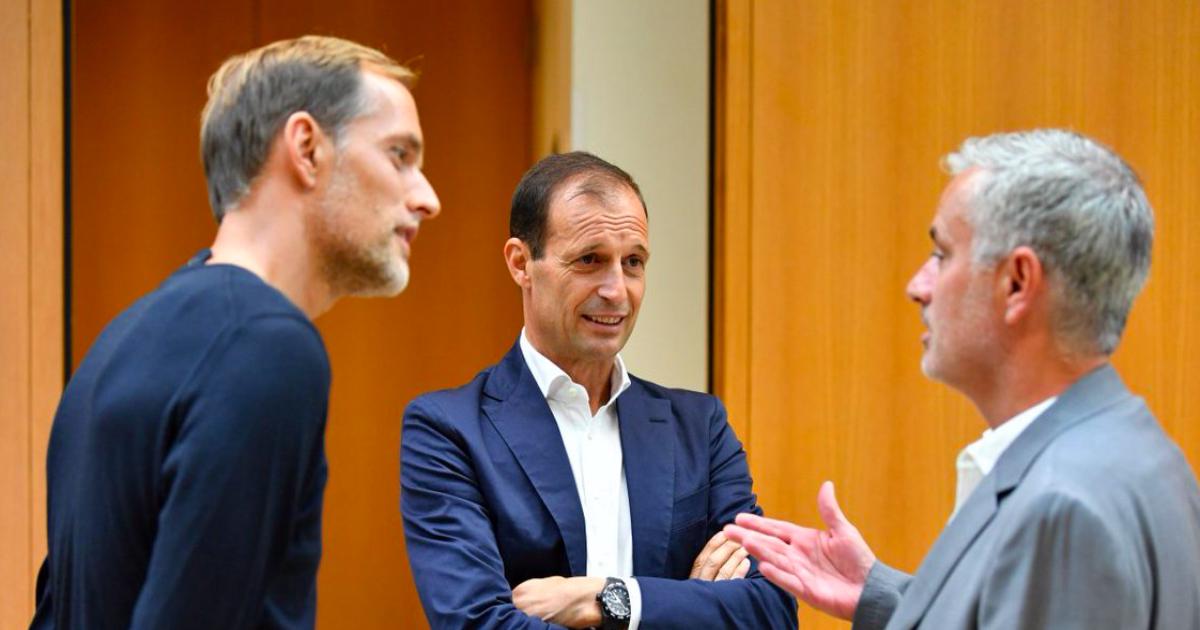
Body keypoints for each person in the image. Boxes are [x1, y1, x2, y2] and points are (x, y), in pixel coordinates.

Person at [32, 36, 440, 629]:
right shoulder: (267, 346)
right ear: (307, 148)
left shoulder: (119, 343)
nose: (427, 198)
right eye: (399, 155)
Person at [724, 129, 1200, 629]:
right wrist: (888, 599)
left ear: (1016, 283)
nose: (918, 287)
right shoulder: (1143, 456)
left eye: (942, 254)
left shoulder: (1063, 506)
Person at [400, 151, 796, 628]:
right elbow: (479, 622)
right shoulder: (449, 431)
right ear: (521, 263)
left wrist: (611, 599)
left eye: (633, 262)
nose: (617, 290)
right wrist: (688, 605)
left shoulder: (700, 428)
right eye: (590, 260)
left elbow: (772, 610)